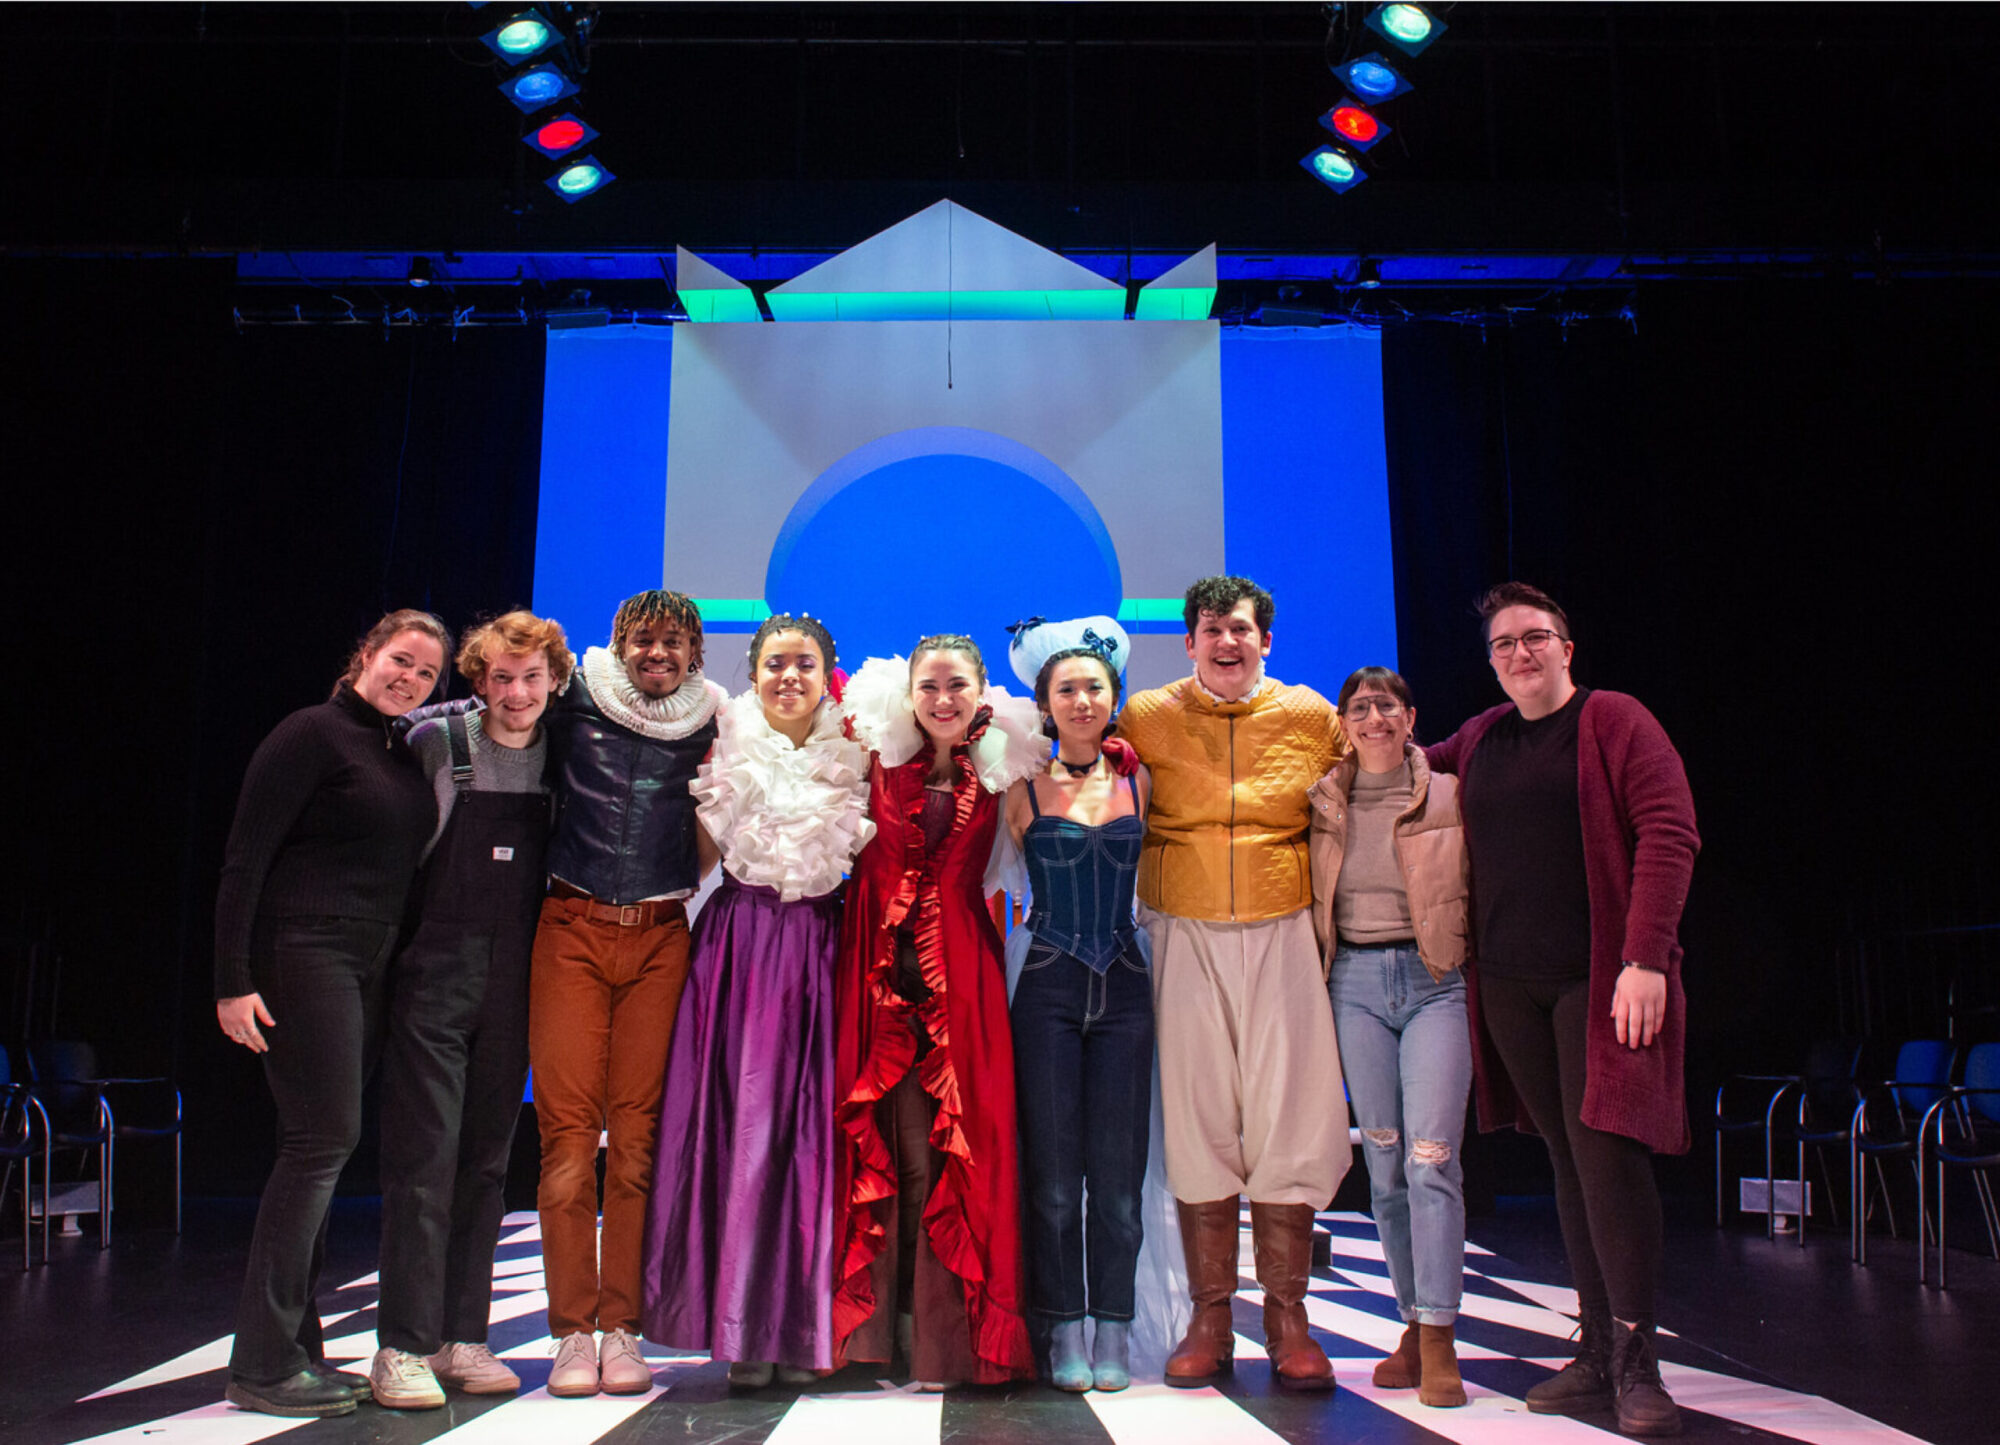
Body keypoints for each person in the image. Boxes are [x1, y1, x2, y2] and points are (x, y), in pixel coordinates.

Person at [1424, 581, 1698, 1438]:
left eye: (1533, 637)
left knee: (1606, 1156)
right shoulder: (1482, 736)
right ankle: (1593, 1355)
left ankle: (1637, 1357)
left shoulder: (1614, 720)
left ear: (1566, 647)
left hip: (1600, 980)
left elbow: (1669, 830)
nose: (1518, 654)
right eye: (1502, 644)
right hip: (1508, 984)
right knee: (1570, 1165)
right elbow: (1403, 761)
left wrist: (1645, 957)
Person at [1115, 575, 1351, 1391]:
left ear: (1267, 641)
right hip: (1182, 931)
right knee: (1198, 1113)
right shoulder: (1143, 715)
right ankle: (1210, 1314)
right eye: (1211, 629)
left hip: (1283, 928)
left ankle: (1288, 1315)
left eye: (1242, 630)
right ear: (1187, 641)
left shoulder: (1315, 716)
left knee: (1292, 1112)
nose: (1227, 643)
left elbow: (1376, 782)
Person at [214, 609, 450, 1419]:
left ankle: (294, 1347)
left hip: (368, 959)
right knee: (322, 1141)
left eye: (425, 674)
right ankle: (263, 1362)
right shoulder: (310, 733)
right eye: (399, 661)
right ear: (364, 654)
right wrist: (230, 980)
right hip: (304, 947)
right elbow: (245, 858)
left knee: (319, 1145)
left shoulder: (395, 747)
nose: (409, 680)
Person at [639, 614, 875, 1388]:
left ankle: (801, 1326)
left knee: (810, 1138)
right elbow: (696, 861)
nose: (789, 677)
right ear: (753, 672)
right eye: (775, 663)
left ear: (827, 673)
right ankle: (741, 1328)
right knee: (741, 1127)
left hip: (820, 949)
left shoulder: (860, 756)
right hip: (738, 948)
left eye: (805, 663)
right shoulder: (723, 746)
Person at [368, 611, 573, 1407]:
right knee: (423, 1162)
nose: (516, 694)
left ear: (553, 679)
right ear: (477, 680)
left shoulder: (562, 754)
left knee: (487, 1162)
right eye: (499, 678)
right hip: (435, 972)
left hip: (517, 977)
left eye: (531, 678)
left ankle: (464, 1337)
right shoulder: (436, 744)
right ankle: (402, 1346)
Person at [831, 634, 1043, 1389]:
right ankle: (876, 1336)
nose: (943, 698)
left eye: (958, 684)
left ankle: (947, 1341)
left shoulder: (1007, 768)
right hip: (877, 977)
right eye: (930, 685)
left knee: (958, 1157)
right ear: (910, 691)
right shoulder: (872, 755)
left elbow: (1044, 830)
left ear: (982, 691)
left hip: (964, 977)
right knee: (890, 1152)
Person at [532, 590, 724, 1398]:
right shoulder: (575, 693)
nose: (658, 654)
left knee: (638, 1142)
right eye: (644, 639)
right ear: (619, 642)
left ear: (694, 653)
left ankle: (623, 1327)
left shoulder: (714, 717)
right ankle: (573, 1332)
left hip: (659, 934)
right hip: (570, 925)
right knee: (571, 1143)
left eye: (675, 642)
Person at [1307, 666, 1471, 1409]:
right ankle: (1412, 1320)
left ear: (1412, 716)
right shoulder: (1323, 800)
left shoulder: (1448, 792)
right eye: (1360, 707)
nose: (1373, 718)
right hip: (1355, 986)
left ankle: (1440, 1336)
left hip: (1436, 979)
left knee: (1431, 1157)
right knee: (1383, 1163)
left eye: (1387, 706)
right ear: (1343, 720)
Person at [1001, 618, 1154, 1393]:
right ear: (1046, 703)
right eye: (1067, 688)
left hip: (1127, 983)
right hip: (1049, 985)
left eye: (1095, 686)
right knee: (1057, 1177)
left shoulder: (1141, 780)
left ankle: (1116, 1327)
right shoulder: (1019, 792)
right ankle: (1062, 1325)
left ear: (1114, 697)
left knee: (1120, 1177)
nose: (1083, 698)